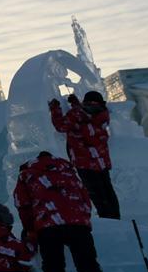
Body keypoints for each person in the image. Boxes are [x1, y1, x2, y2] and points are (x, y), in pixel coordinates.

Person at [14, 151, 116, 272]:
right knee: (89, 268)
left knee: (54, 270)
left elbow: (22, 204)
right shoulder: (68, 170)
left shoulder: (27, 174)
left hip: (48, 225)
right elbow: (85, 197)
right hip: (77, 224)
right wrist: (83, 218)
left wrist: (30, 229)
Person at [49, 91, 121, 219]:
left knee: (97, 195)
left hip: (85, 162)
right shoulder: (102, 114)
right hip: (101, 161)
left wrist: (55, 108)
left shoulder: (77, 114)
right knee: (108, 192)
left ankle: (108, 221)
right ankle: (116, 218)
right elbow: (86, 119)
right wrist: (75, 104)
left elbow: (61, 125)